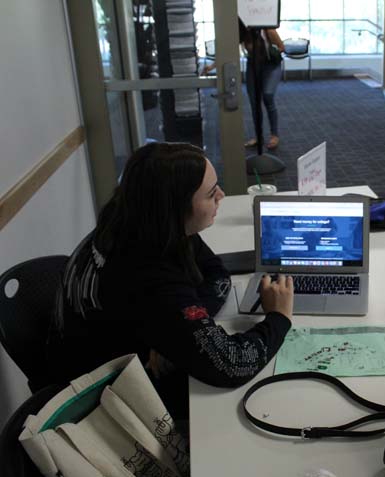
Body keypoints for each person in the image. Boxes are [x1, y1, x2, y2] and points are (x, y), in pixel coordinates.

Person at [48, 142, 294, 417]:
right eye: (211, 193)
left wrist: (181, 331)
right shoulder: (148, 272)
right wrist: (278, 318)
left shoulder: (140, 215)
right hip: (100, 399)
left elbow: (216, 272)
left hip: (117, 347)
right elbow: (230, 364)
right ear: (176, 206)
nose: (222, 196)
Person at [241, 20, 284, 151]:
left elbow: (282, 47)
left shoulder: (267, 30)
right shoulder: (242, 33)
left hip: (271, 65)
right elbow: (227, 51)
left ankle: (274, 135)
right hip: (253, 66)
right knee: (254, 103)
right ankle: (259, 137)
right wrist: (213, 66)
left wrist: (271, 51)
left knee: (268, 95)